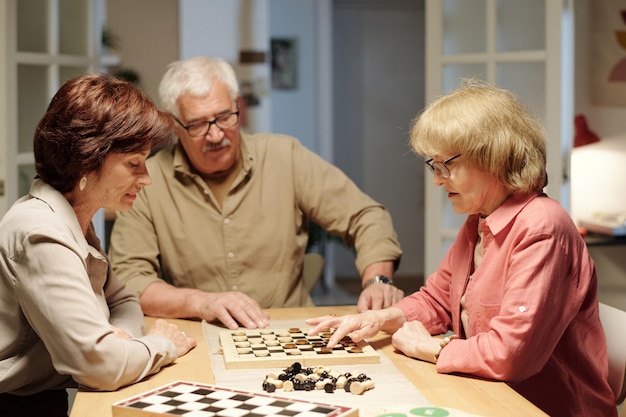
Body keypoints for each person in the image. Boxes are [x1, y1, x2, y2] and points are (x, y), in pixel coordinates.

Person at [306, 80, 617, 417]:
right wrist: (378, 318)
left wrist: (431, 347)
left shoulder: (542, 227)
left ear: (493, 157)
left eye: (446, 164)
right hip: (490, 396)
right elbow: (437, 300)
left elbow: (510, 355)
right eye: (433, 165)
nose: (437, 179)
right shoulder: (479, 219)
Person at [108, 56, 404, 330]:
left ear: (239, 107)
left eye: (225, 116)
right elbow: (131, 278)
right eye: (198, 124)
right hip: (200, 333)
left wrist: (377, 280)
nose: (216, 135)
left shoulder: (284, 156)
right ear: (175, 125)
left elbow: (365, 217)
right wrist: (202, 302)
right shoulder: (148, 180)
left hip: (291, 330)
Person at [0, 73, 197, 417]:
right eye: (133, 164)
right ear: (86, 159)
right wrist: (163, 345)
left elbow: (123, 301)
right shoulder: (41, 231)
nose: (146, 178)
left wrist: (122, 341)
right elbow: (100, 366)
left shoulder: (73, 216)